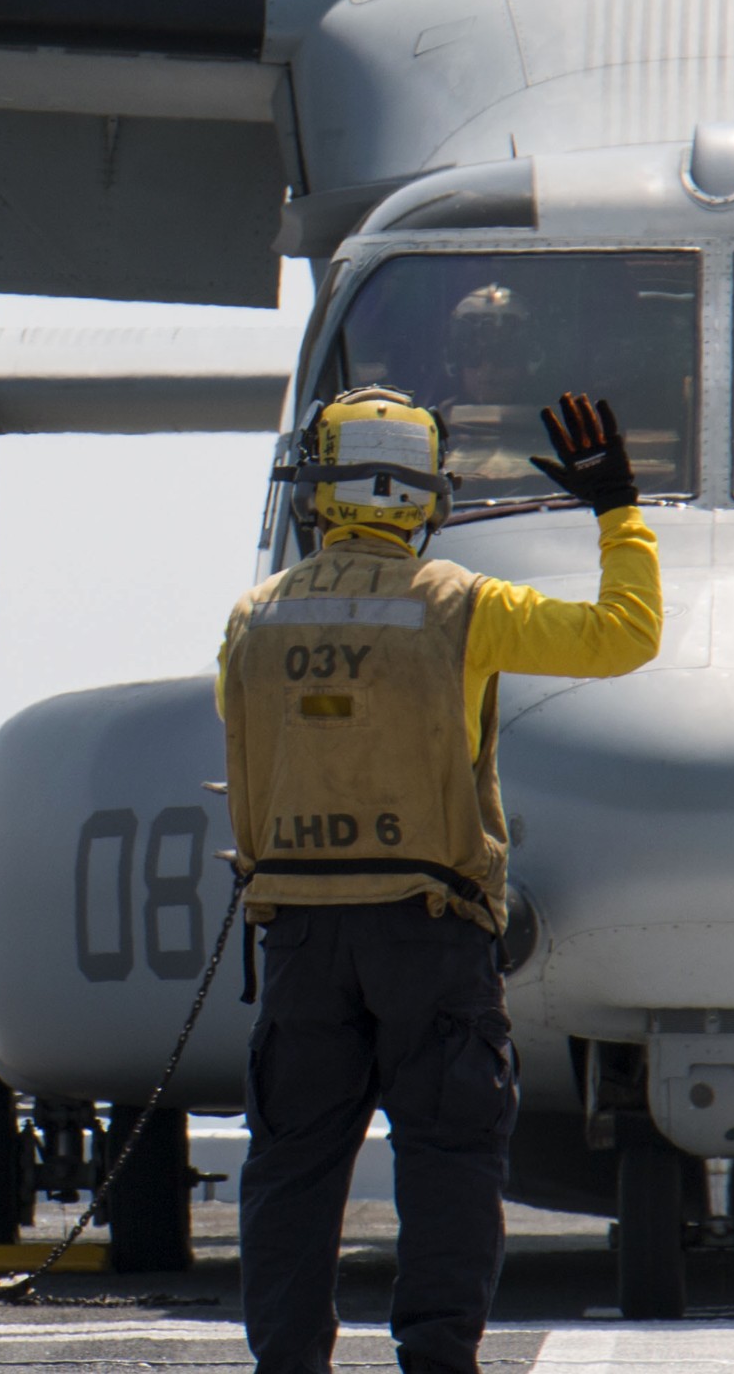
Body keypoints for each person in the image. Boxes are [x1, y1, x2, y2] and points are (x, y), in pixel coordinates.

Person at [219, 386, 661, 1374]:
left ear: (318, 490)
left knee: (291, 1166)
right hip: (431, 930)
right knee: (449, 1155)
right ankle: (437, 1359)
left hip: (296, 931)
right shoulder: (463, 607)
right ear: (427, 496)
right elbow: (626, 635)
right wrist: (617, 510)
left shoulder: (252, 622)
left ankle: (287, 1363)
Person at [438, 283, 551, 501]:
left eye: (503, 357)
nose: (487, 370)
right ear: (455, 361)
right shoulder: (434, 426)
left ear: (528, 359)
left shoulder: (553, 424)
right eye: (473, 357)